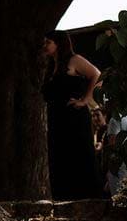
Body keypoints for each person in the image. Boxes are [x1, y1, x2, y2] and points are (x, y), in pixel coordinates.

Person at [42, 30, 102, 200]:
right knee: (59, 159)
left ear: (58, 43)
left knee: (78, 156)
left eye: (48, 42)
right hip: (56, 119)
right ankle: (64, 199)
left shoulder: (74, 60)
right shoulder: (51, 66)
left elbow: (96, 74)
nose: (44, 46)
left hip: (74, 118)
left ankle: (88, 199)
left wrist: (85, 99)